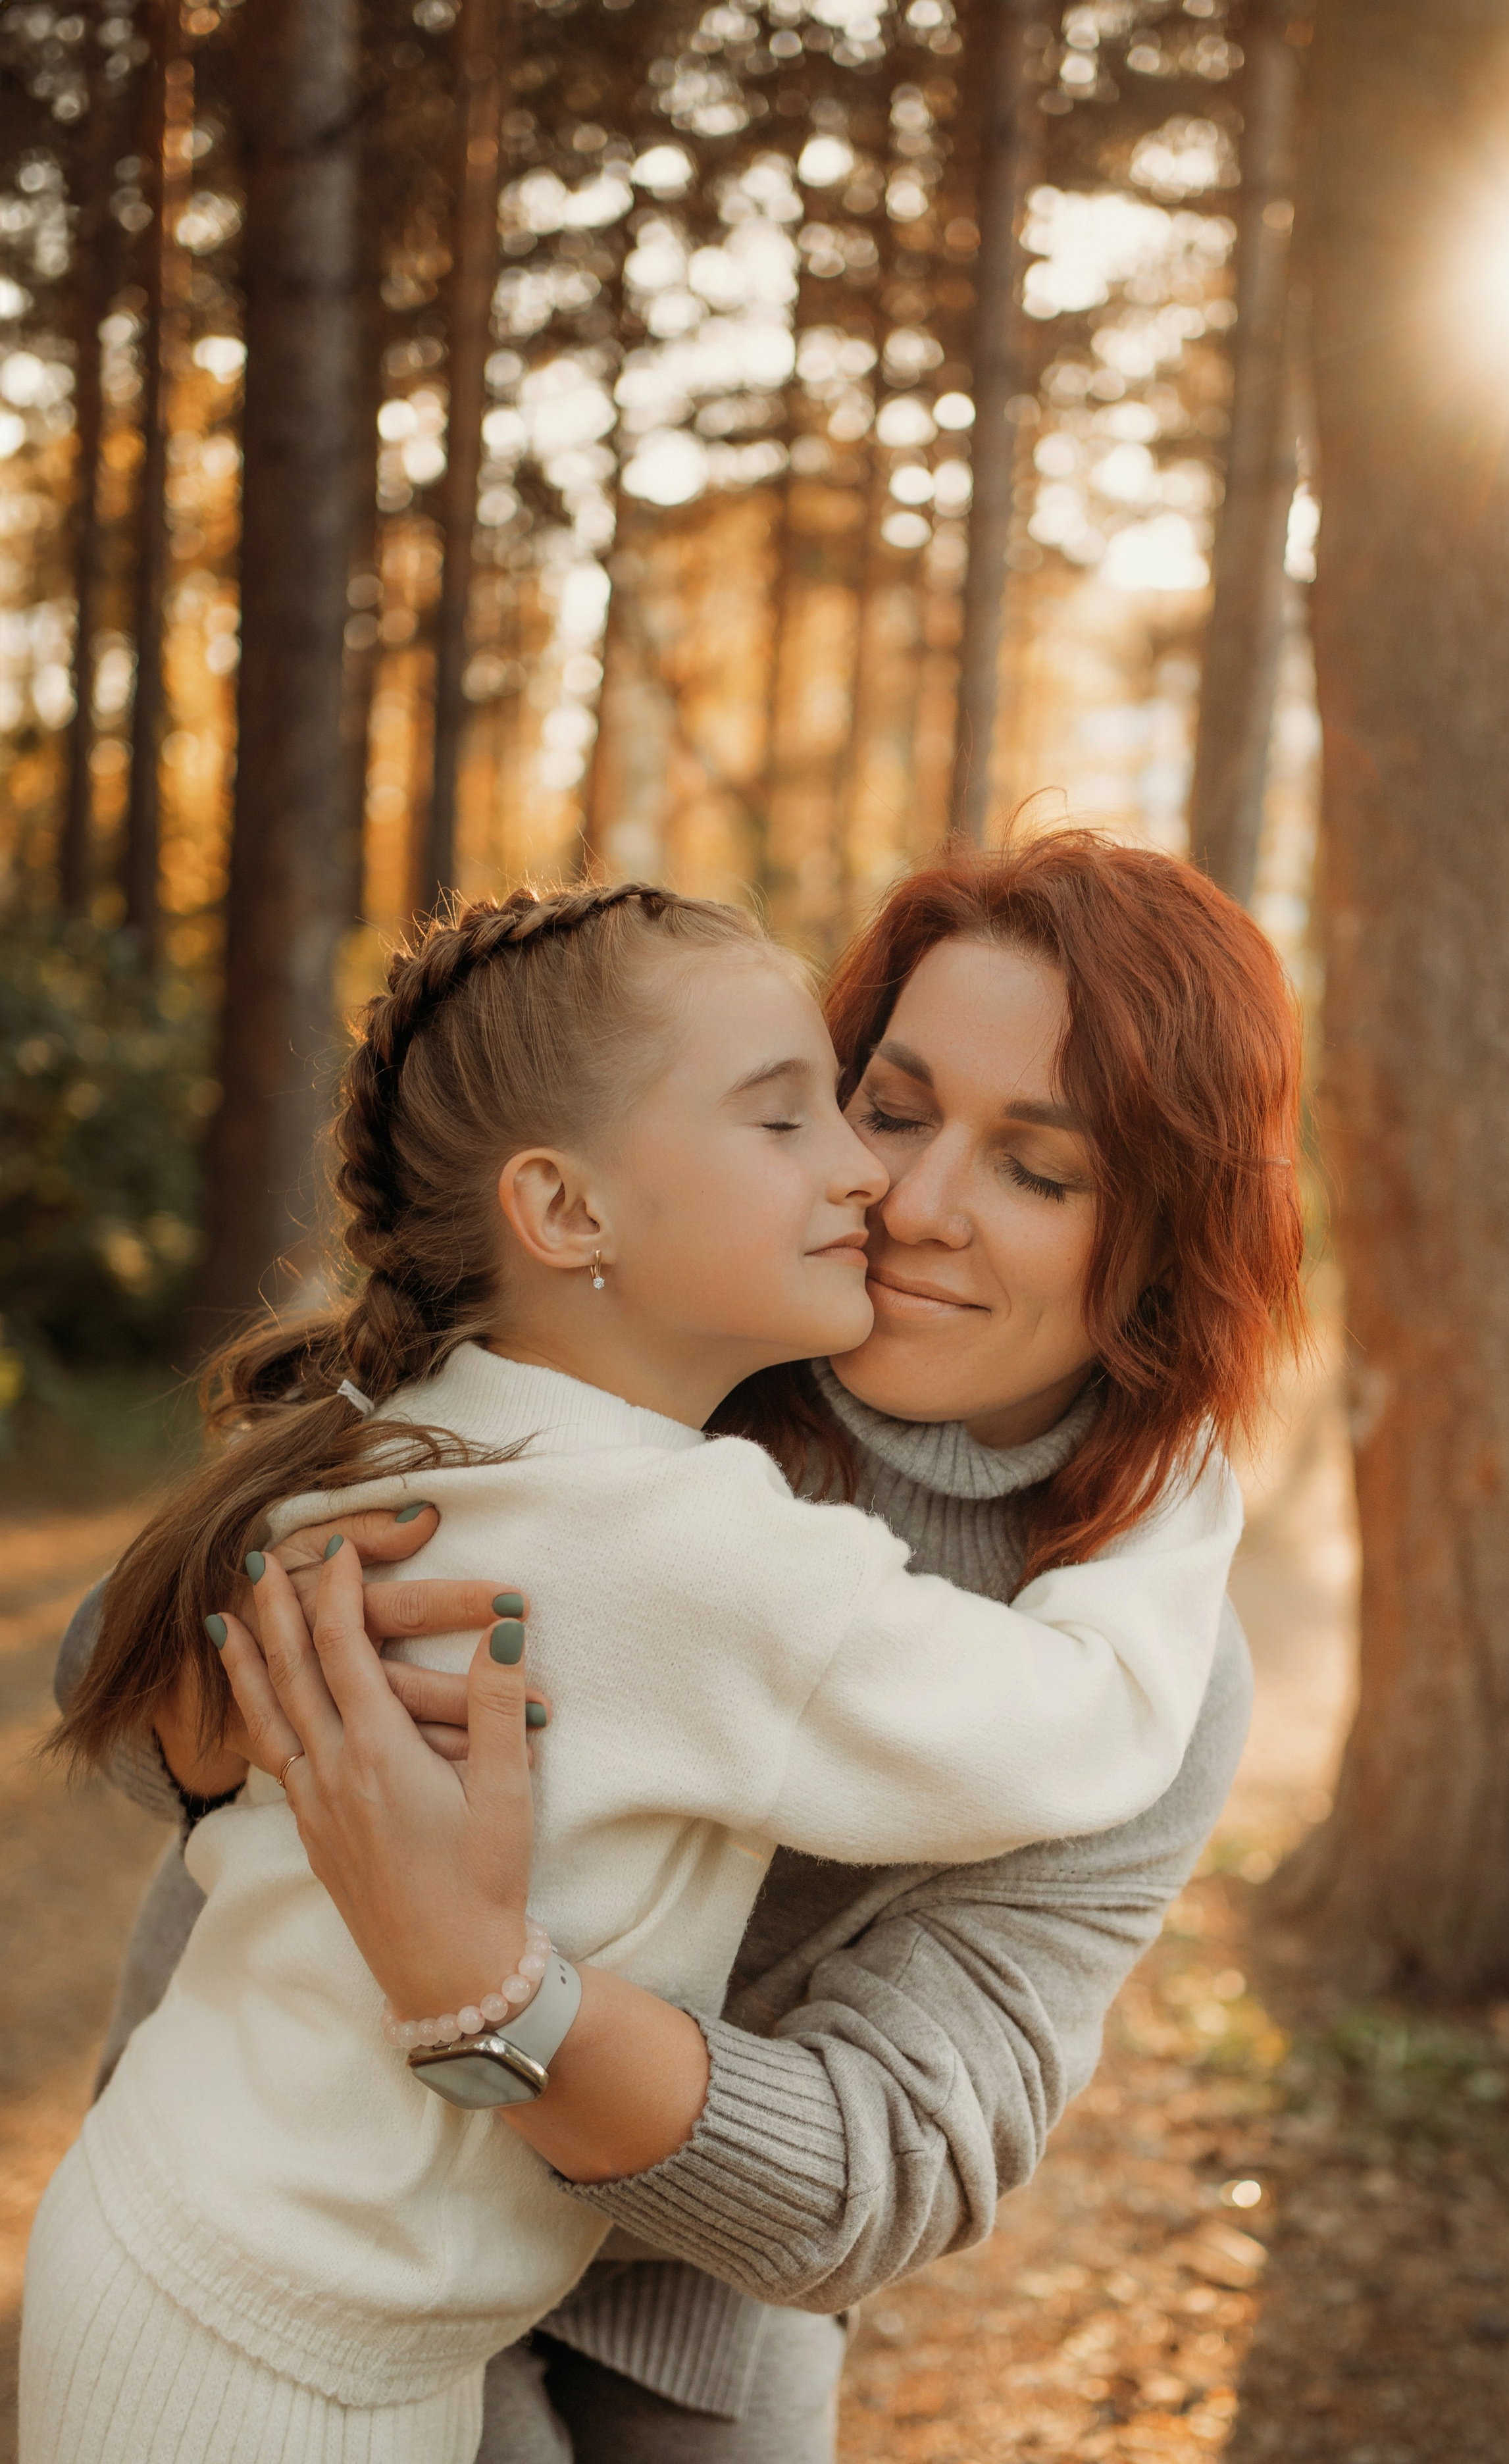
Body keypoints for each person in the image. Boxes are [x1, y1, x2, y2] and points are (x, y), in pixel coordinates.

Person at [48, 832, 1304, 2464]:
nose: (910, 1203)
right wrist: (258, 1688)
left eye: (1037, 1172)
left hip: (683, 2282)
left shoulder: (1140, 1647)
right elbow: (118, 1659)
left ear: (1168, 1240)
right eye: (886, 1109)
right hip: (284, 2209)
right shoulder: (653, 1339)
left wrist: (490, 1993)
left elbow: (892, 2157)